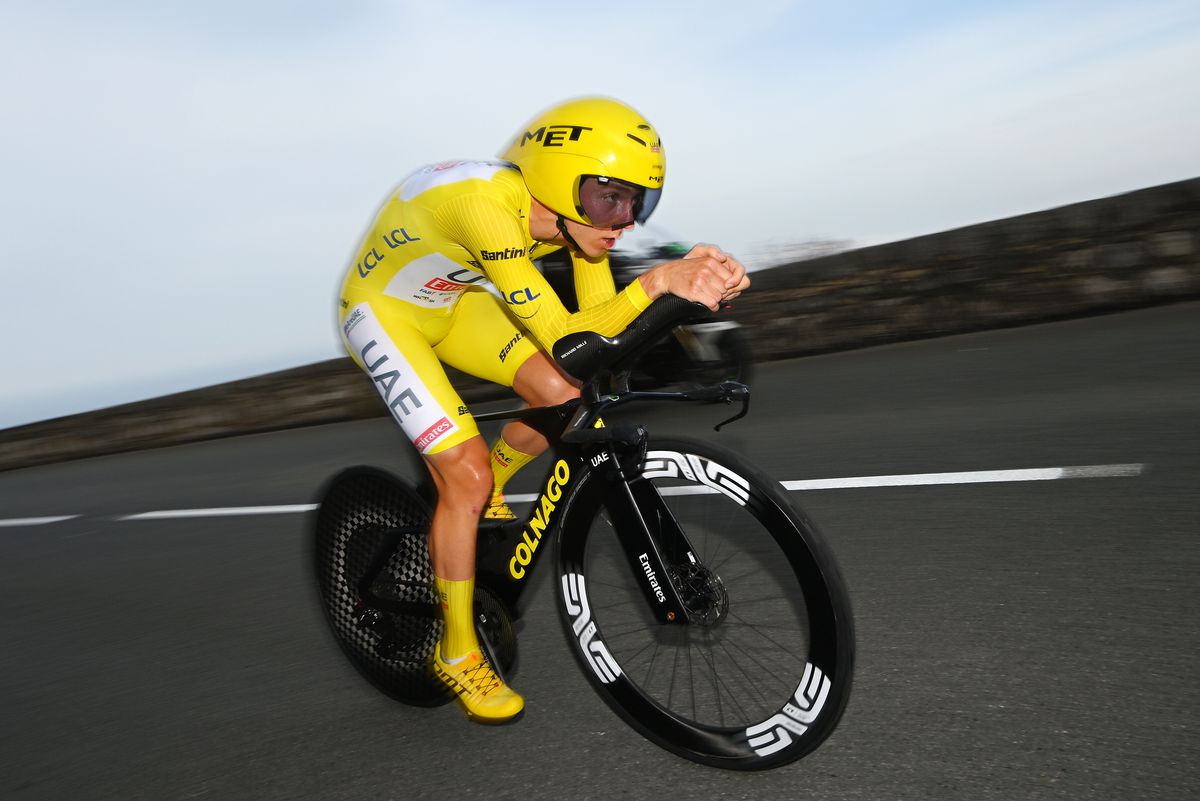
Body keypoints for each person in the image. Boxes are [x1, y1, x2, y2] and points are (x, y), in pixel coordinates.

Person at [336, 96, 749, 724]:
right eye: (611, 198)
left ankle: (494, 482)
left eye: (639, 202)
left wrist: (685, 289)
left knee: (561, 394)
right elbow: (570, 338)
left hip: (453, 304)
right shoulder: (487, 208)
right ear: (559, 183)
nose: (626, 220)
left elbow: (593, 342)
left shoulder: (580, 229)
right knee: (465, 474)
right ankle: (456, 649)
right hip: (384, 311)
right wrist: (661, 282)